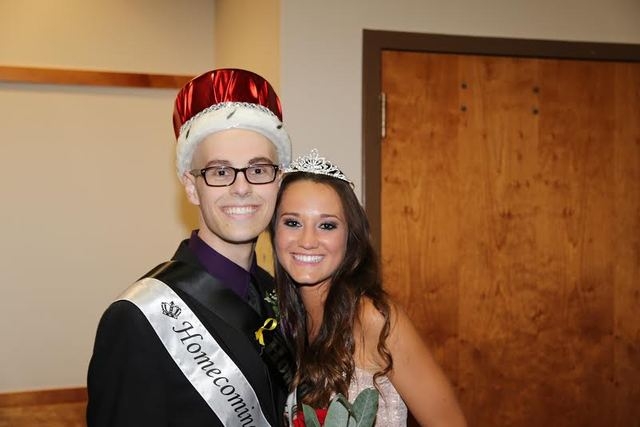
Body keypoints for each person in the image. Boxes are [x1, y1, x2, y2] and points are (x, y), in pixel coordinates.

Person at [87, 68, 294, 427]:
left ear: (278, 180)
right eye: (219, 171)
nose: (242, 187)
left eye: (258, 169)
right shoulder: (138, 318)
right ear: (191, 185)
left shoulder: (279, 291)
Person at [270, 150, 467, 426]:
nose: (307, 240)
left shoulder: (373, 318)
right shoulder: (283, 321)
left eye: (327, 225)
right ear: (273, 231)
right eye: (292, 222)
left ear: (350, 237)